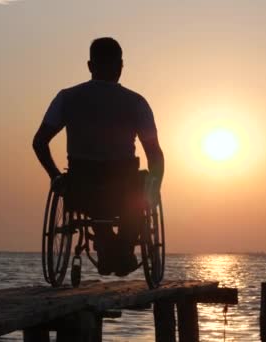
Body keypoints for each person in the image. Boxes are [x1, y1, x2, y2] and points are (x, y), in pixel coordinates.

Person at [32, 37, 164, 276]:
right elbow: (155, 155)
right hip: (124, 188)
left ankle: (108, 245)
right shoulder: (136, 102)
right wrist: (153, 191)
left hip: (81, 188)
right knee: (139, 188)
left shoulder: (67, 97)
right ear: (121, 66)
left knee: (95, 195)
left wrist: (54, 176)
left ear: (90, 66)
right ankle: (121, 248)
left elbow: (39, 142)